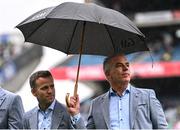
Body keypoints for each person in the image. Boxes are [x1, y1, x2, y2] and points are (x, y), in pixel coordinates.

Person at [67, 53, 168, 129]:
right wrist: (75, 114)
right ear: (108, 74)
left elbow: (161, 127)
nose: (125, 68)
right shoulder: (96, 104)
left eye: (127, 65)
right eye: (119, 65)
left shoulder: (147, 96)